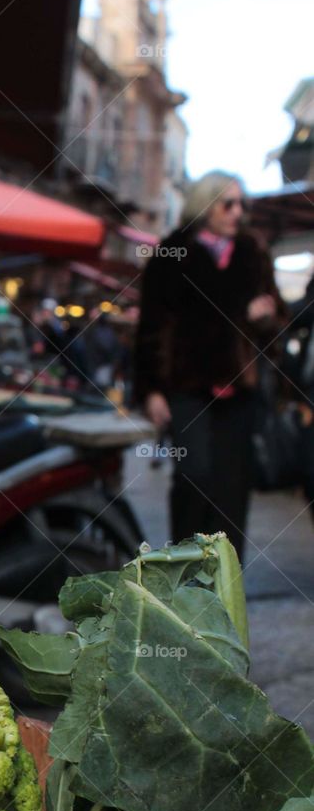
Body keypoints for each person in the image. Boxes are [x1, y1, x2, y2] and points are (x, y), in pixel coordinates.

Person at [134, 170, 285, 559]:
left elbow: (276, 321)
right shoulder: (172, 253)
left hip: (239, 392)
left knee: (232, 488)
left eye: (242, 204)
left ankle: (224, 581)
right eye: (228, 203)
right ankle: (183, 569)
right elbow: (152, 327)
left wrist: (265, 318)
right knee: (193, 474)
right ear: (205, 204)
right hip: (188, 387)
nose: (238, 212)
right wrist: (150, 389)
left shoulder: (253, 252)